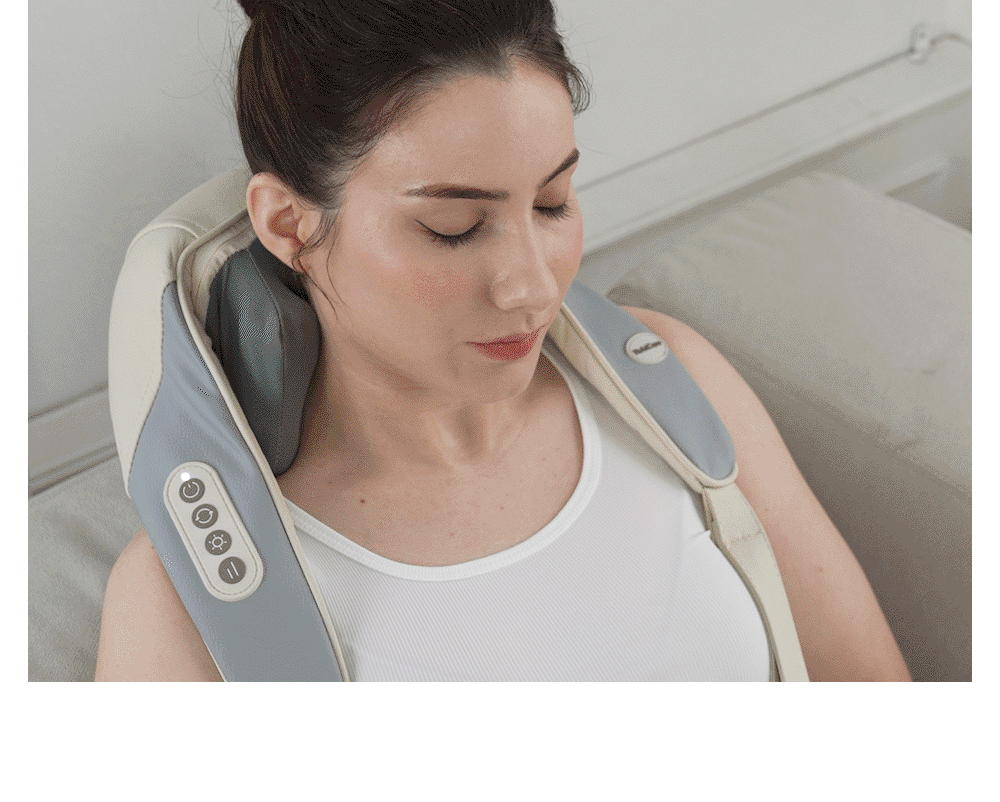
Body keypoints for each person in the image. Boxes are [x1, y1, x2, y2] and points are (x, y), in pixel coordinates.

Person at [95, 0, 910, 681]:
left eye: (553, 203)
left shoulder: (672, 387)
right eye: (454, 227)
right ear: (288, 224)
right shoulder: (192, 598)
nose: (533, 285)